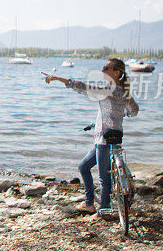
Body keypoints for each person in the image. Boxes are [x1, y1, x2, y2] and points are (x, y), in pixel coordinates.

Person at [44, 58, 139, 216]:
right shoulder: (124, 91)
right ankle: (89, 203)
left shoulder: (107, 90)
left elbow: (83, 87)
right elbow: (134, 110)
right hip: (114, 137)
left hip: (104, 140)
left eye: (105, 68)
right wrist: (124, 113)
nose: (102, 70)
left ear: (116, 73)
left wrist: (59, 79)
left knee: (103, 177)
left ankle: (103, 208)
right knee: (84, 167)